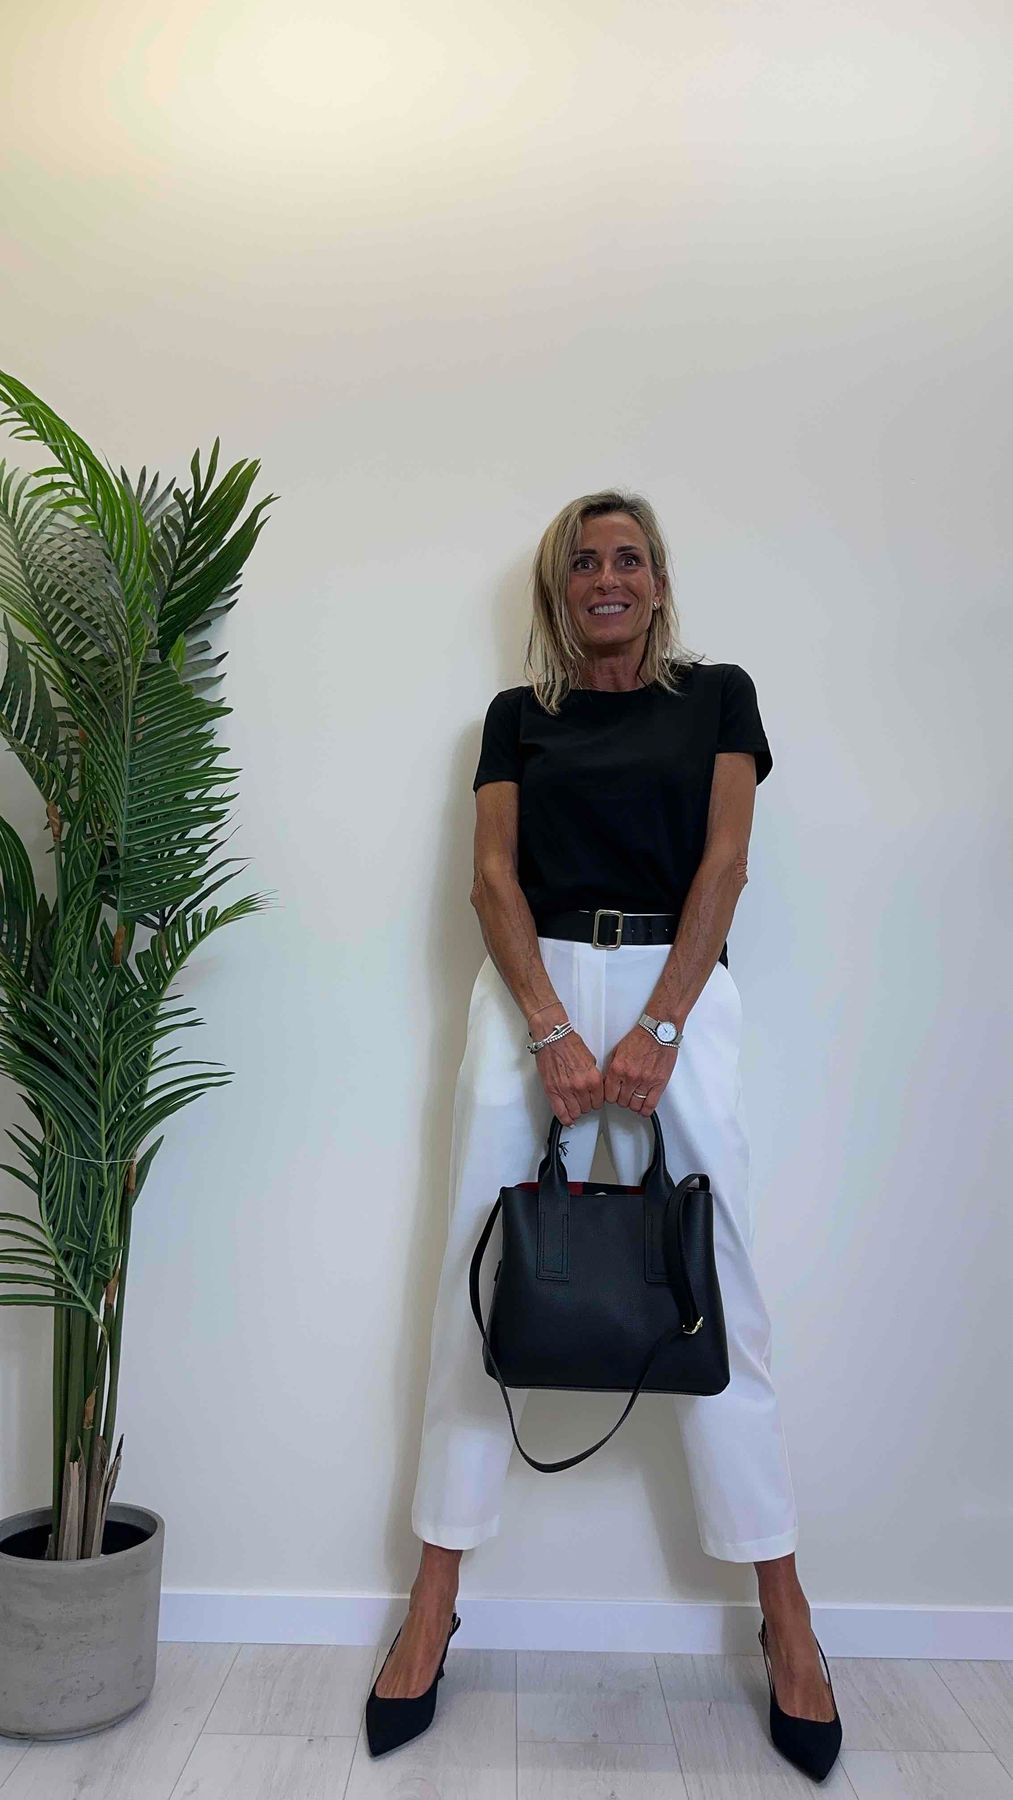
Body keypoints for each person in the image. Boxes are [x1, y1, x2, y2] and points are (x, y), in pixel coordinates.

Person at [365, 490, 842, 1781]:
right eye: (584, 561)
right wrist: (549, 1028)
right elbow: (491, 879)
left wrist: (660, 1025)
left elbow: (724, 863)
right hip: (533, 992)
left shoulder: (718, 698)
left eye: (628, 557)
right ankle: (432, 1604)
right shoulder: (517, 717)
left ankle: (787, 1620)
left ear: (658, 580)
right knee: (480, 1283)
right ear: (558, 589)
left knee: (719, 1285)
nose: (607, 576)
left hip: (676, 986)